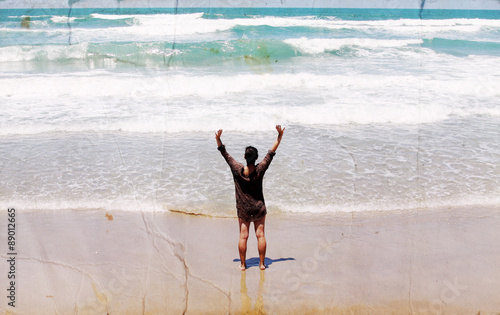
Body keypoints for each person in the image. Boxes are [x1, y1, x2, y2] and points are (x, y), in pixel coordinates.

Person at [215, 125, 285, 270]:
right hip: (259, 207)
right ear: (255, 158)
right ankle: (261, 264)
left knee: (243, 237)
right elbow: (271, 153)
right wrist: (279, 136)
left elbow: (225, 155)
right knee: (260, 235)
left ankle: (242, 264)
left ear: (245, 157)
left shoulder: (237, 169)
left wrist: (218, 139)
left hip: (243, 209)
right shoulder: (260, 169)